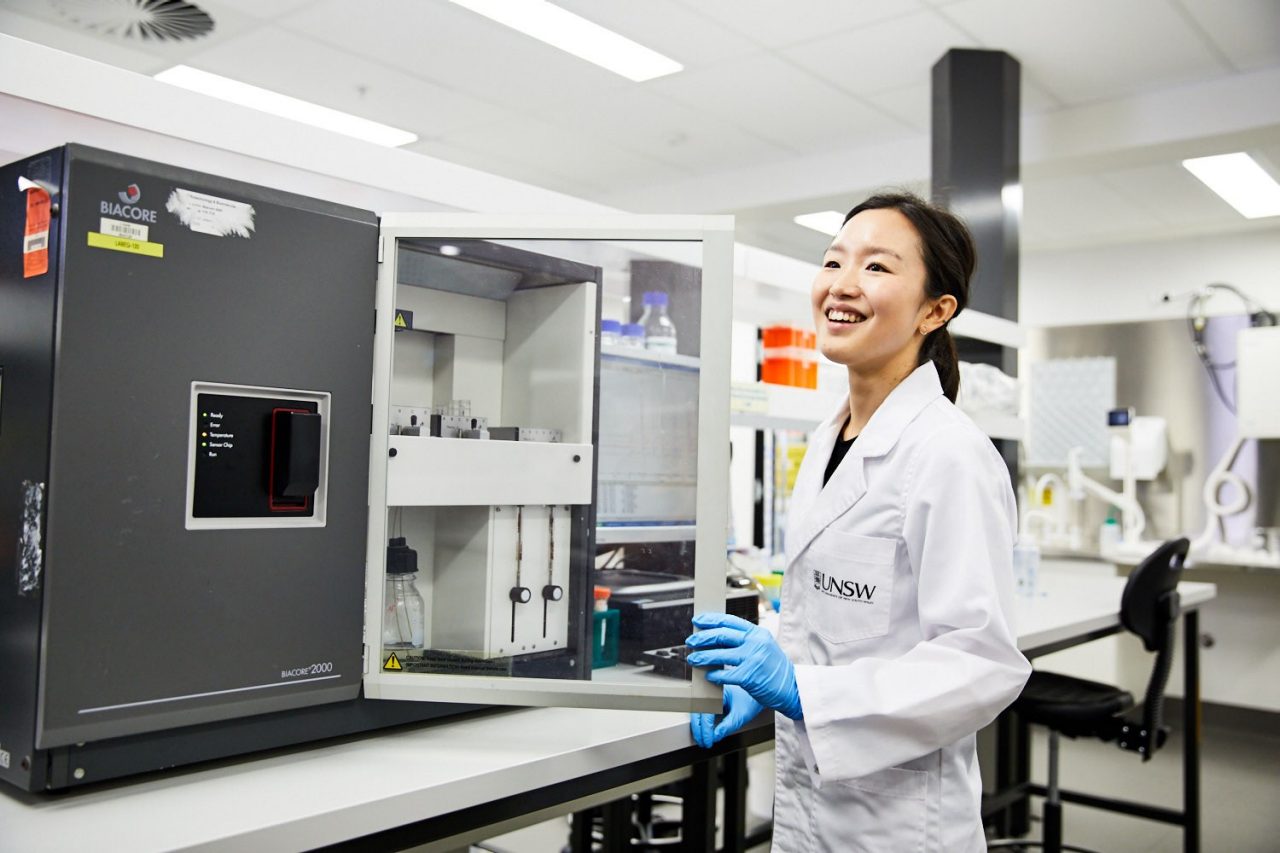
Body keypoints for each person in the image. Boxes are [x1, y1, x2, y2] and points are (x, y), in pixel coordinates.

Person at [687, 193, 1030, 852]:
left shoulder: (950, 454)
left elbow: (983, 662)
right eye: (833, 261)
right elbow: (826, 614)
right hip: (813, 800)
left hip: (900, 821)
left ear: (936, 310)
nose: (842, 284)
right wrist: (774, 672)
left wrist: (803, 689)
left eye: (876, 267)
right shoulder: (827, 441)